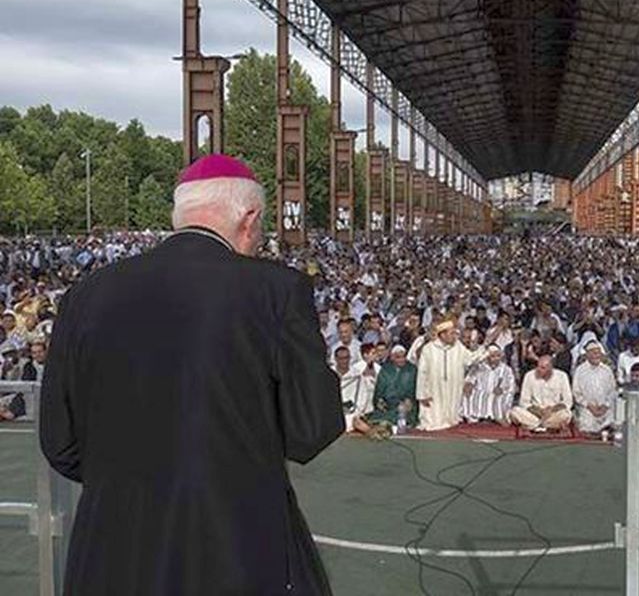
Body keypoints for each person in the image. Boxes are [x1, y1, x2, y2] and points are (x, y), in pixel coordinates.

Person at [39, 155, 343, 595]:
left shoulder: (85, 295)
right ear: (249, 217)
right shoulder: (277, 290)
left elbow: (60, 441)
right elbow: (312, 429)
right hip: (235, 550)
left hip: (111, 553)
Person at [415, 319, 488, 430]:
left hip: (452, 388)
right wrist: (421, 394)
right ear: (442, 335)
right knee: (432, 419)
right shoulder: (428, 349)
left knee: (451, 419)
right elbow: (422, 373)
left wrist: (485, 350)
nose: (455, 336)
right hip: (434, 389)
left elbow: (470, 360)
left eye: (454, 333)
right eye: (451, 333)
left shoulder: (458, 347)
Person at [510, 353, 574, 433]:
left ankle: (535, 426)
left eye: (543, 368)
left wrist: (551, 410)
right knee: (515, 411)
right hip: (534, 413)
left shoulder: (562, 376)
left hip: (553, 413)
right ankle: (547, 426)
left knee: (566, 414)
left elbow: (568, 401)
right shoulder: (529, 375)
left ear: (551, 368)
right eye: (538, 366)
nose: (539, 370)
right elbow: (524, 401)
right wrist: (539, 411)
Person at [461, 344, 516, 424]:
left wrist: (502, 389)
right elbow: (470, 379)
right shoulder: (479, 367)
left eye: (498, 355)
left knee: (503, 396)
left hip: (497, 393)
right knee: (467, 394)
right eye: (493, 356)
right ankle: (473, 417)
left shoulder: (506, 370)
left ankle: (497, 417)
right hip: (480, 392)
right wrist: (469, 384)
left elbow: (511, 386)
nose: (495, 358)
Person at [369, 345, 419, 431]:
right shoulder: (385, 369)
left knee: (404, 414)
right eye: (398, 357)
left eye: (403, 357)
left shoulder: (412, 369)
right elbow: (379, 390)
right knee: (375, 417)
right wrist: (379, 400)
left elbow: (415, 389)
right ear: (392, 357)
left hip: (406, 405)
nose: (401, 360)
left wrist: (410, 399)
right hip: (388, 405)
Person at [572, 341, 617, 434]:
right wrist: (590, 406)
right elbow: (576, 393)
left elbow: (612, 391)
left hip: (605, 408)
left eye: (598, 353)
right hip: (588, 408)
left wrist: (605, 406)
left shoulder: (607, 370)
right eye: (594, 353)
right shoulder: (580, 370)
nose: (597, 355)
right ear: (587, 354)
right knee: (586, 426)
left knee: (614, 420)